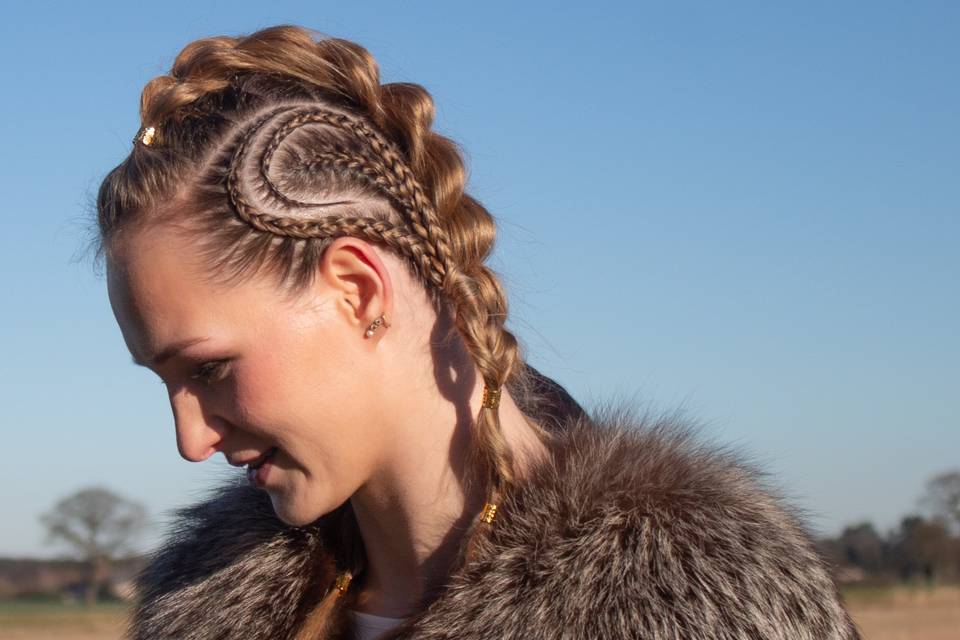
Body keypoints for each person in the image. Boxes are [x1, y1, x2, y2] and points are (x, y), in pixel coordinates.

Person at [97, 25, 861, 640]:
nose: (191, 441)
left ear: (359, 291)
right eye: (165, 382)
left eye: (208, 369)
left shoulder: (698, 605)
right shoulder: (201, 602)